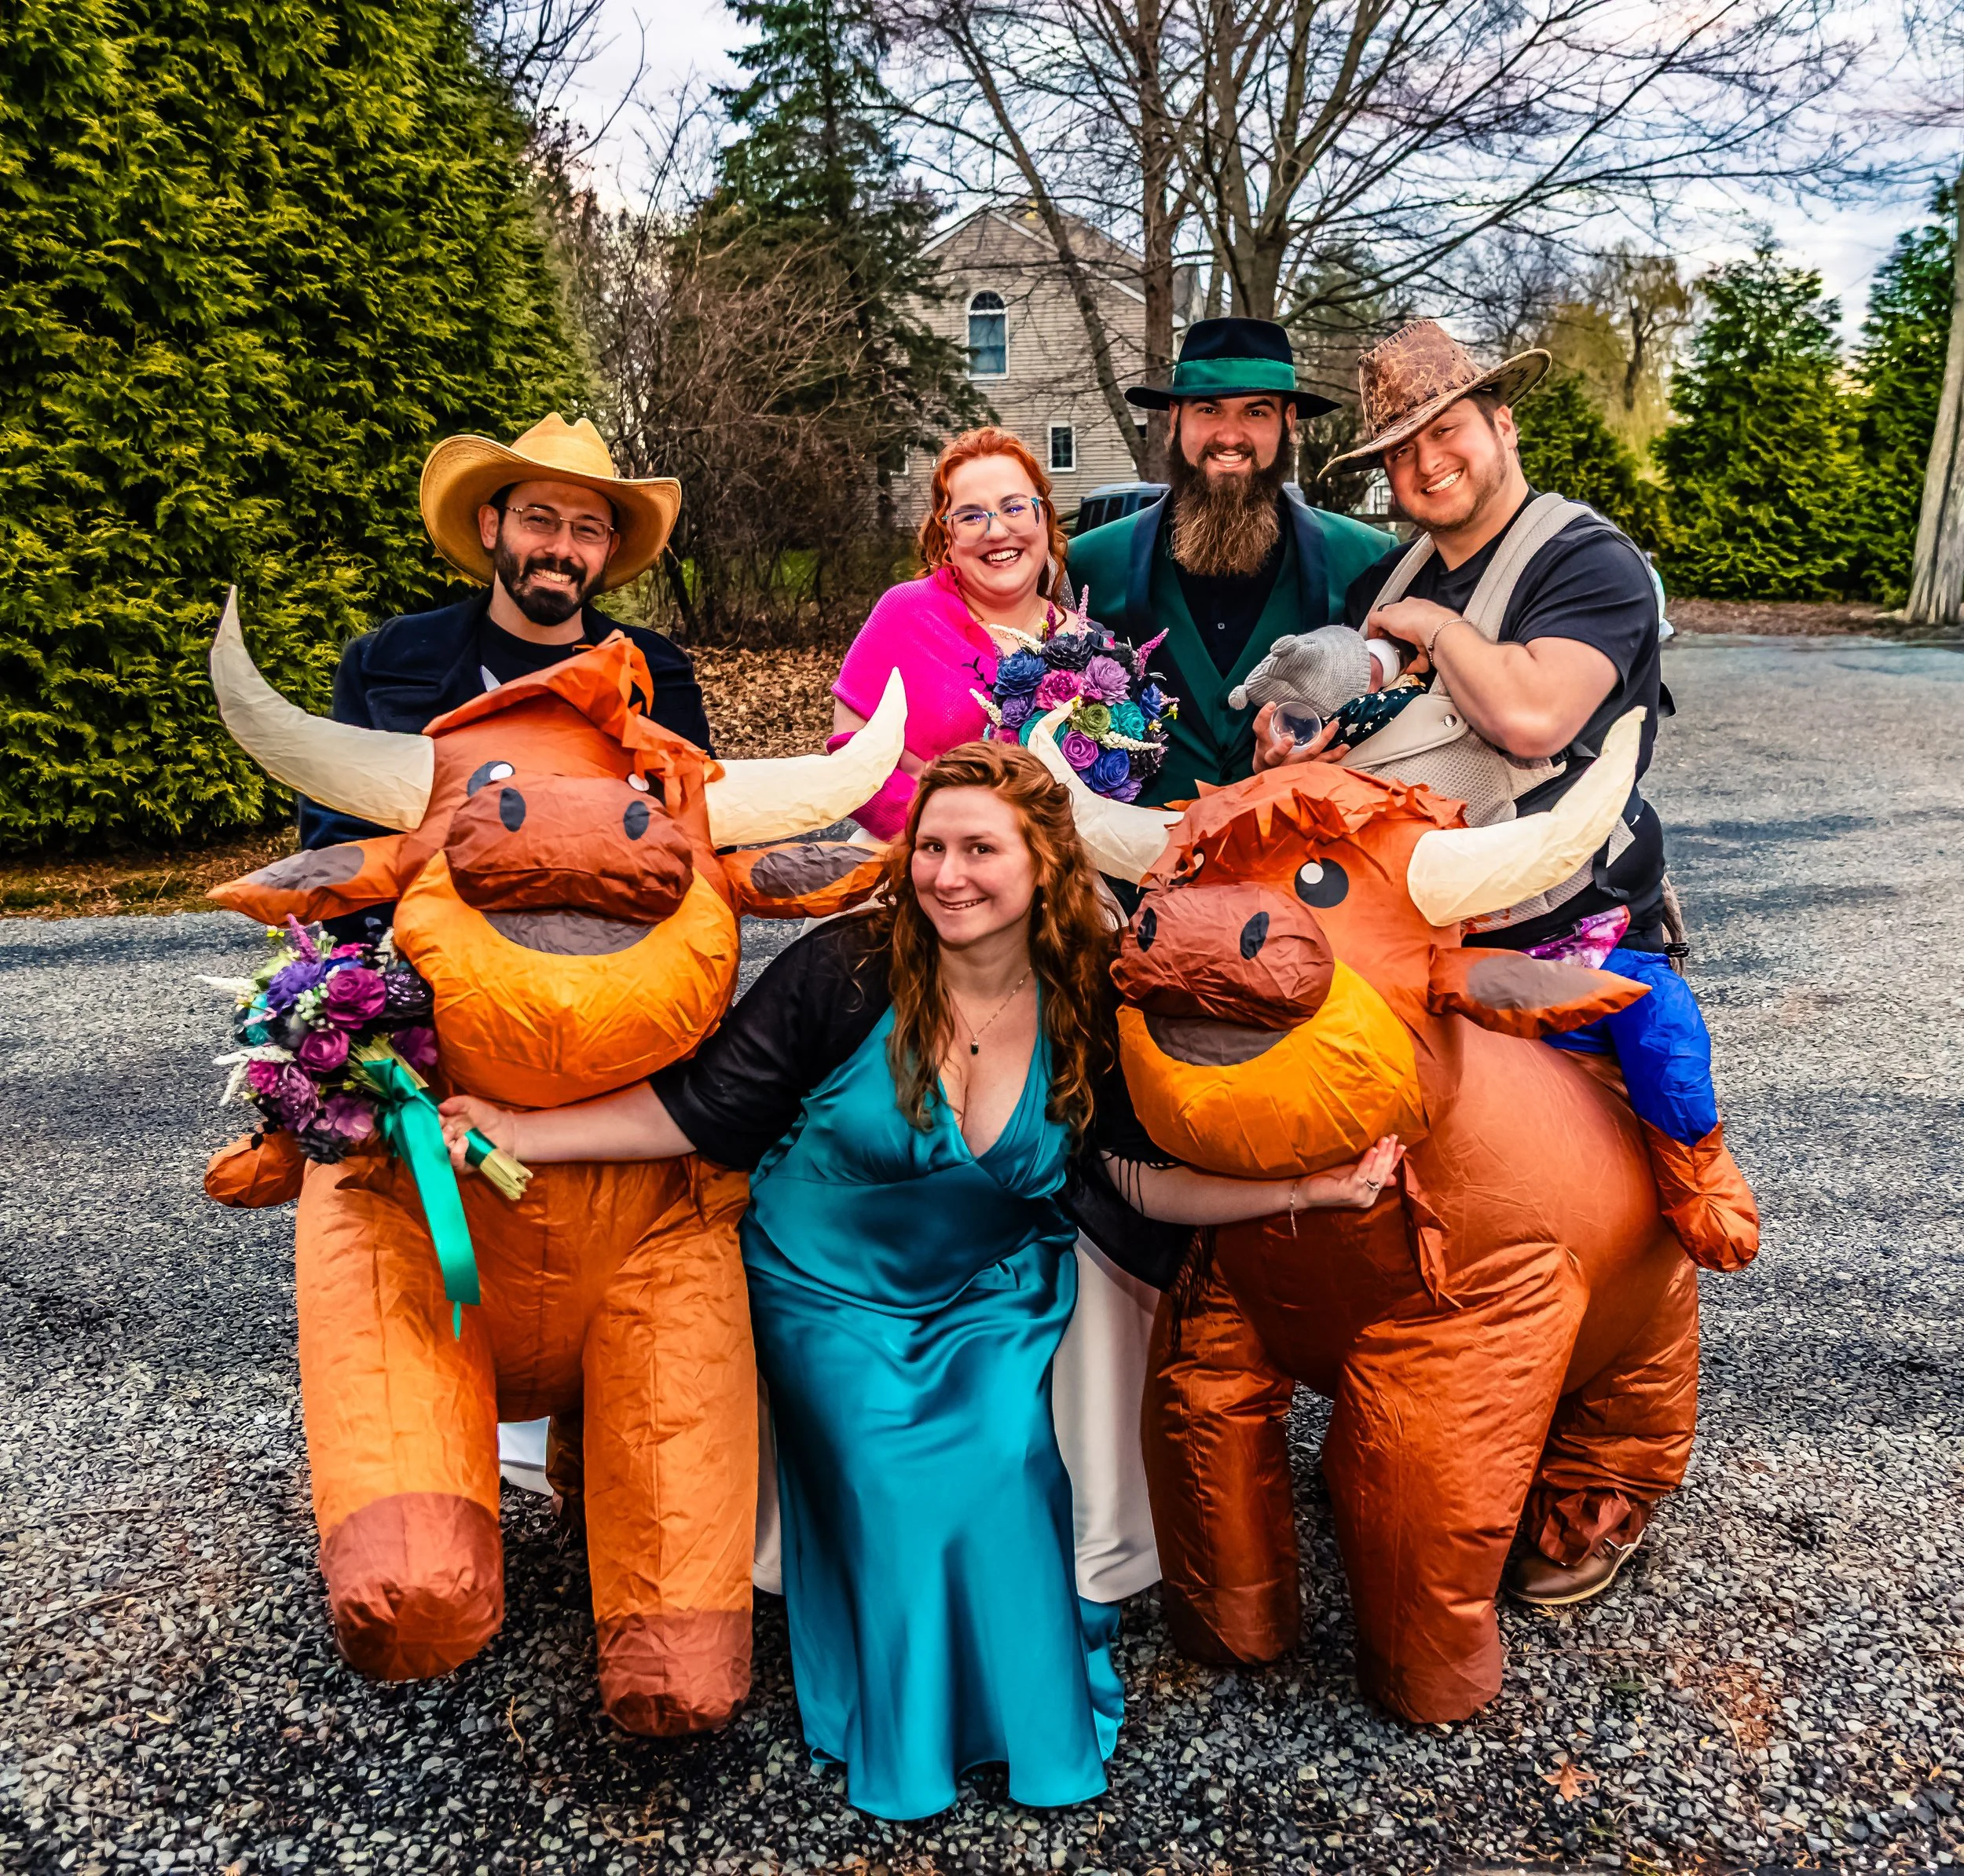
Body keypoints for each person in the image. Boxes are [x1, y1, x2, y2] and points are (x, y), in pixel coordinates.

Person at [438, 742, 1400, 1819]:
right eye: (931, 845)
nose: (947, 873)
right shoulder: (845, 969)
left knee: (1006, 1464)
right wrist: (524, 1127)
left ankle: (1029, 1727)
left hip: (993, 1287)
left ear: (1044, 863)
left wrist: (1308, 1193)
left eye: (979, 848)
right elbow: (703, 1110)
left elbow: (1135, 1176)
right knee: (895, 1479)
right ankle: (903, 1736)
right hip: (823, 1287)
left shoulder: (1090, 993)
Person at [1258, 317, 1757, 1606]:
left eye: (1448, 429)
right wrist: (1295, 744)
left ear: (1502, 424)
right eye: (1402, 447)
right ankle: (1430, 1406)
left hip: (1572, 940)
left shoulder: (1588, 560)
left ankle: (1614, 1454)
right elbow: (1370, 744)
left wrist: (1430, 621)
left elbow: (1535, 711)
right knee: (1411, 1205)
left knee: (1619, 1199)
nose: (1428, 461)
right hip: (1426, 957)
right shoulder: (1400, 578)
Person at [298, 412, 712, 852]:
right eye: (538, 519)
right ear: (491, 527)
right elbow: (338, 836)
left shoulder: (658, 673)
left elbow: (702, 840)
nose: (561, 550)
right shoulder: (386, 660)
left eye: (587, 530)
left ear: (608, 548)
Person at [1065, 318, 1396, 805]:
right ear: (1174, 421)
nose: (1230, 436)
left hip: (1307, 858)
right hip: (1131, 869)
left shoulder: (1367, 559)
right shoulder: (1087, 565)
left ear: (1288, 425)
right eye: (1208, 410)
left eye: (1256, 412)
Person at [830, 427, 1072, 840]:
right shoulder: (906, 614)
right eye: (971, 516)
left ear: (1043, 516)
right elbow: (849, 749)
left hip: (1060, 872)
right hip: (913, 864)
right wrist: (943, 841)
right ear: (947, 535)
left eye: (1014, 508)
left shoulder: (1088, 642)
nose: (996, 532)